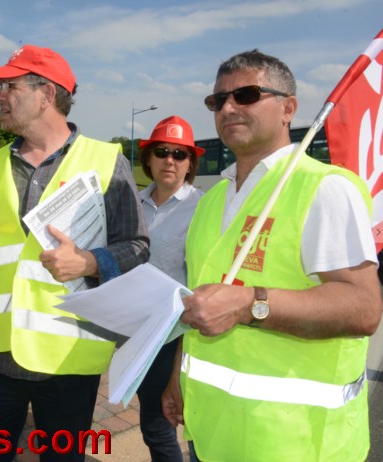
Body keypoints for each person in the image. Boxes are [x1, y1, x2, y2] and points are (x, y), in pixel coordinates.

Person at [161, 49, 383, 462]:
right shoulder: (212, 201)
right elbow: (201, 302)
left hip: (295, 442)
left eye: (246, 95)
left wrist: (250, 304)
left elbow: (363, 307)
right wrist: (178, 376)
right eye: (217, 100)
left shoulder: (325, 188)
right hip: (211, 432)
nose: (228, 107)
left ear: (288, 109)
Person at [0, 44, 149, 461]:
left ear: (46, 94)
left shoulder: (108, 160)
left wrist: (90, 262)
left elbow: (137, 247)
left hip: (68, 359)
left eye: (9, 87)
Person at [135, 115, 204, 461]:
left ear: (190, 163)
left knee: (164, 423)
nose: (170, 160)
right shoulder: (133, 203)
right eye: (161, 152)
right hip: (137, 328)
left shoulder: (203, 208)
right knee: (154, 420)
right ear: (148, 158)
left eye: (180, 154)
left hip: (176, 332)